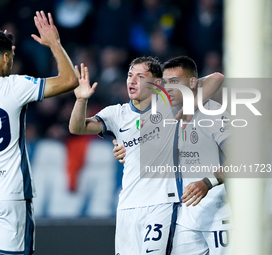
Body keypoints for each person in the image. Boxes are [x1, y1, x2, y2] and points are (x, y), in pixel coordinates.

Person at [0, 11, 78, 255]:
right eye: (11, 56)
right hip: (10, 194)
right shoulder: (15, 86)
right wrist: (54, 43)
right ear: (7, 57)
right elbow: (69, 80)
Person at [69, 56, 223, 254]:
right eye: (130, 75)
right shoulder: (117, 114)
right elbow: (77, 127)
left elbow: (217, 78)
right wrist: (81, 100)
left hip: (162, 205)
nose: (132, 81)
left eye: (140, 76)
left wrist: (192, 104)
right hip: (127, 206)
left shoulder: (170, 104)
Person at [114, 56, 231, 254]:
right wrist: (121, 145)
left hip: (218, 215)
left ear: (193, 83)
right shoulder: (164, 114)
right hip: (183, 219)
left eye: (175, 82)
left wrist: (208, 182)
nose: (168, 88)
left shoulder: (213, 113)